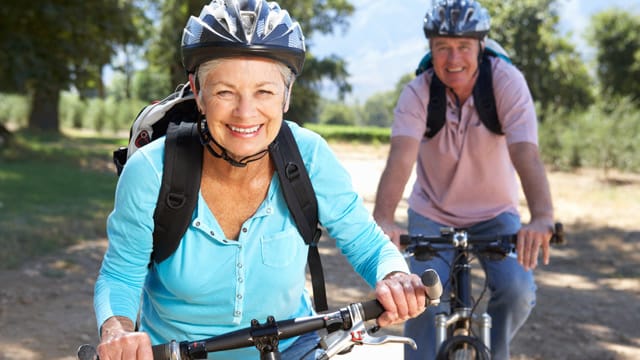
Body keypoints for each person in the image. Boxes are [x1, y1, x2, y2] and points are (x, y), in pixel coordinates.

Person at [93, 1, 433, 359]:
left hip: (291, 347)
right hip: (179, 352)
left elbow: (366, 242)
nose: (245, 112)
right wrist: (117, 329)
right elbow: (121, 273)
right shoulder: (151, 170)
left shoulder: (309, 156)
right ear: (198, 91)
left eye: (264, 92)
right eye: (225, 91)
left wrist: (395, 276)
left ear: (286, 96)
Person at [372, 1, 555, 359]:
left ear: (480, 47)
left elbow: (526, 154)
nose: (453, 58)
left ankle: (494, 352)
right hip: (432, 215)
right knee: (419, 296)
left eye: (463, 47)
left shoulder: (506, 82)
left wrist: (543, 217)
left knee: (517, 289)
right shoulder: (419, 92)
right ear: (431, 50)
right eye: (442, 47)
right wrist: (383, 217)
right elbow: (401, 157)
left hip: (496, 214)